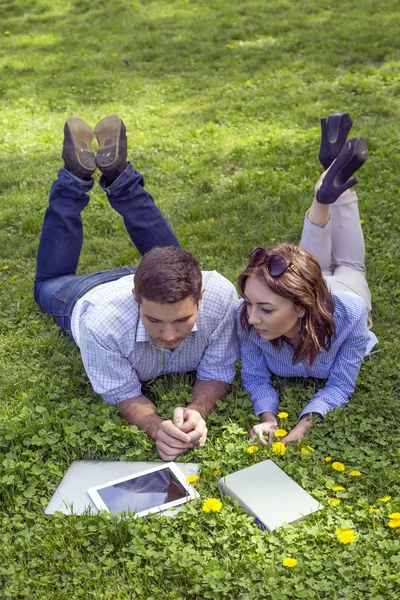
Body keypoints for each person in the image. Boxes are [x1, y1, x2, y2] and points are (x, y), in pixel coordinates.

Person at [34, 115, 239, 461]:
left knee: (172, 258)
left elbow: (218, 370)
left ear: (201, 297)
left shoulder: (221, 297)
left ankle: (116, 173)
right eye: (155, 321)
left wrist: (199, 411)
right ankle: (75, 177)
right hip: (82, 293)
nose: (170, 334)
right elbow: (123, 393)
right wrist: (157, 428)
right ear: (135, 298)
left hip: (155, 277)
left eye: (182, 319)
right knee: (46, 284)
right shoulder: (101, 324)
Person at [236, 113, 378, 445]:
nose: (251, 317)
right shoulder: (246, 318)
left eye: (265, 310)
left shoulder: (350, 315)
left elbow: (340, 385)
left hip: (344, 293)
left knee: (349, 265)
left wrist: (304, 424)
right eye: (249, 303)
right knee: (309, 266)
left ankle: (326, 193)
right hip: (307, 289)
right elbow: (255, 378)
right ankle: (328, 183)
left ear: (301, 308)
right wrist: (267, 418)